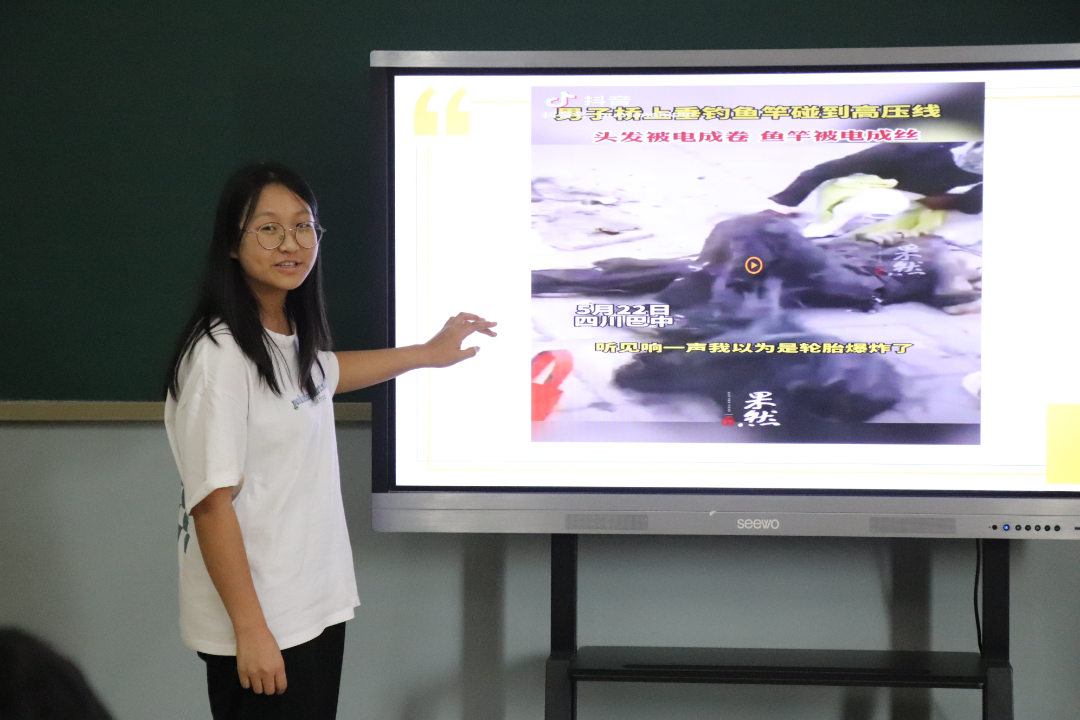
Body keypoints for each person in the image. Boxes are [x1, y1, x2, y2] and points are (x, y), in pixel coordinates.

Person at [165, 162, 496, 720]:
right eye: (268, 228)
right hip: (264, 621)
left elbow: (326, 373)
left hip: (307, 609)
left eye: (303, 226)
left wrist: (428, 353)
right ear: (232, 244)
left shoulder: (282, 334)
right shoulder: (220, 355)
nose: (290, 243)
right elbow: (211, 506)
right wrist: (252, 631)